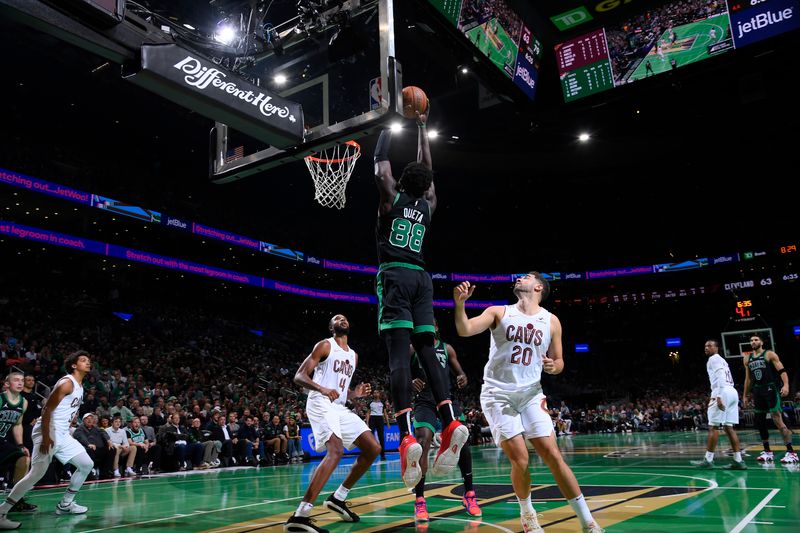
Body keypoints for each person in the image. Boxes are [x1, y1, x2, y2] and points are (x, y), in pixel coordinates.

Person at [453, 273, 604, 533]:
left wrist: (553, 367)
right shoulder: (498, 312)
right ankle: (528, 514)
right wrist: (459, 304)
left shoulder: (551, 321)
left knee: (553, 455)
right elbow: (465, 329)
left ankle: (587, 521)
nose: (518, 278)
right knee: (520, 459)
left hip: (532, 393)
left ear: (538, 287)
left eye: (525, 276)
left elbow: (559, 362)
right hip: (498, 394)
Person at [373, 105, 468, 489]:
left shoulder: (390, 201)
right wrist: (422, 127)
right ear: (425, 185)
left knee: (399, 356)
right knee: (428, 351)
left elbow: (381, 168)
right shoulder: (427, 206)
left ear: (401, 182)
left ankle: (408, 434)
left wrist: (384, 131)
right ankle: (451, 422)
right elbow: (426, 172)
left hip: (395, 275)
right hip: (422, 279)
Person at [284, 315, 381, 533]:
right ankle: (300, 515)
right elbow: (299, 376)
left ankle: (338, 498)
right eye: (337, 319)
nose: (342, 319)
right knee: (335, 451)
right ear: (332, 327)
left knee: (373, 448)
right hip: (320, 401)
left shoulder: (354, 356)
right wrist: (321, 388)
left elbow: (341, 391)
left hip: (338, 407)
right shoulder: (325, 345)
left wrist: (354, 394)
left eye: (345, 318)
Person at [0, 351, 94, 530]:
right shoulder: (67, 383)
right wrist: (46, 437)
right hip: (49, 430)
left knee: (85, 464)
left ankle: (65, 504)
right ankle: (2, 511)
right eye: (83, 360)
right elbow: (46, 410)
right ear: (74, 365)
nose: (88, 363)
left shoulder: (80, 386)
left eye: (88, 361)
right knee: (35, 474)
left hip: (63, 433)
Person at [410, 319, 480, 522]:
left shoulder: (447, 348)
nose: (429, 326)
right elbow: (398, 373)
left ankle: (469, 495)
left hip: (446, 398)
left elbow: (461, 373)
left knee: (463, 440)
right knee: (422, 444)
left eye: (432, 323)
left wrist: (462, 377)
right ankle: (420, 500)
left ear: (437, 328)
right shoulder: (413, 348)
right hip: (424, 400)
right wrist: (410, 381)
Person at [691, 339, 746, 470]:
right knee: (728, 428)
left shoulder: (714, 359)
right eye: (705, 346)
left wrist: (719, 396)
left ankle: (708, 460)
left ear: (717, 348)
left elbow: (721, 375)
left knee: (713, 427)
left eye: (709, 346)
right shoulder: (722, 360)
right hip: (732, 392)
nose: (706, 348)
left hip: (722, 391)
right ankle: (738, 461)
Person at [743, 335, 797, 464]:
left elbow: (782, 371)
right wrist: (745, 395)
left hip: (770, 388)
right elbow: (748, 379)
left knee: (777, 418)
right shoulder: (747, 358)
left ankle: (791, 453)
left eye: (756, 340)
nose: (753, 342)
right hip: (757, 390)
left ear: (761, 342)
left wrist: (786, 385)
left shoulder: (769, 354)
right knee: (760, 421)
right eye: (751, 340)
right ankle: (767, 452)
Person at [0, 372, 37, 513]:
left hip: (3, 441)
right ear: (7, 384)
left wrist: (21, 445)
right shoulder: (1, 399)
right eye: (16, 380)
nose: (20, 382)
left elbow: (17, 424)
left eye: (22, 380)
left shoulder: (24, 402)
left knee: (24, 459)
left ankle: (15, 500)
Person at [365, 390, 389, 460]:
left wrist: (387, 423)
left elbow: (385, 413)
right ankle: (369, 454)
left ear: (379, 394)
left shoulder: (382, 403)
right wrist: (367, 422)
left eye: (377, 392)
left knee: (381, 437)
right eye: (374, 392)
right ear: (373, 394)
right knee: (370, 438)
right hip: (372, 419)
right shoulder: (370, 403)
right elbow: (368, 413)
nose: (376, 393)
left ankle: (382, 455)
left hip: (380, 419)